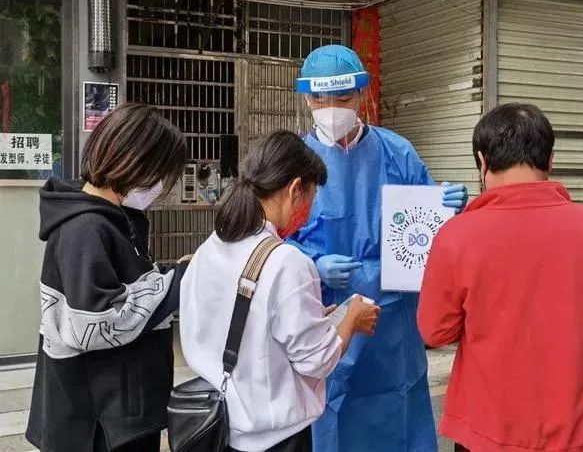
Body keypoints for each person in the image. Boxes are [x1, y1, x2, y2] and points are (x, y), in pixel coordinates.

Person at [418, 103, 583, 452]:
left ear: (481, 162)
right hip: (574, 428)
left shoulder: (456, 236)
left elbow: (435, 331)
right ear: (550, 160)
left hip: (485, 428)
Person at [289, 44, 469, 451]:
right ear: (306, 99)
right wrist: (312, 262)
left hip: (394, 316)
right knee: (330, 406)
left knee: (398, 408)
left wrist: (448, 206)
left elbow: (428, 228)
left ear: (362, 95)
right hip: (327, 313)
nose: (331, 109)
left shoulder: (396, 152)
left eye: (342, 98)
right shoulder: (295, 160)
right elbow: (272, 236)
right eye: (319, 99)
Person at [179, 130, 381, 452]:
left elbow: (242, 321)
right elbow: (317, 360)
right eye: (312, 197)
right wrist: (352, 319)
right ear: (296, 189)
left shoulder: (211, 246)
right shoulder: (287, 261)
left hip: (219, 424)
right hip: (274, 438)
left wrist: (315, 319)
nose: (310, 211)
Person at [26, 103, 191, 452]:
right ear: (135, 163)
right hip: (98, 423)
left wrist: (167, 274)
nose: (161, 186)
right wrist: (178, 282)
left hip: (117, 411)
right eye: (160, 173)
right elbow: (96, 321)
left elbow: (125, 288)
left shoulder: (113, 218)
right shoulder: (84, 228)